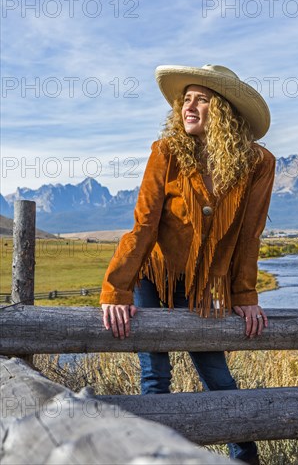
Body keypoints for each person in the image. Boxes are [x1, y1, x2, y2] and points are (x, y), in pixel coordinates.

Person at [100, 64, 276, 464]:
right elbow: (143, 225)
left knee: (217, 375)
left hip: (207, 284)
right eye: (186, 99)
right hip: (154, 274)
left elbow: (250, 235)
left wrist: (245, 293)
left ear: (226, 111)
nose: (188, 107)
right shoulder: (166, 152)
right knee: (155, 377)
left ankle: (244, 458)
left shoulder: (257, 163)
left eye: (202, 99)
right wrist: (118, 288)